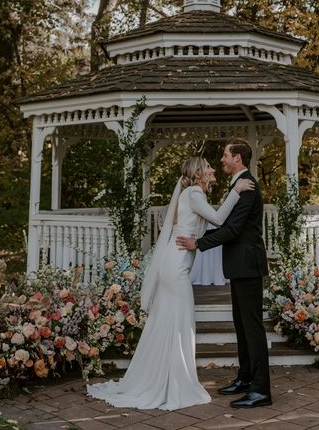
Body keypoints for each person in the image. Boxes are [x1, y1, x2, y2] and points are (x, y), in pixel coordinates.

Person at [86, 156, 254, 411]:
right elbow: (219, 219)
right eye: (208, 167)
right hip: (176, 268)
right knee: (181, 324)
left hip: (173, 264)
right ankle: (177, 385)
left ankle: (164, 380)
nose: (212, 170)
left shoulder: (191, 194)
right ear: (199, 174)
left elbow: (207, 224)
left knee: (169, 322)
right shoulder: (195, 193)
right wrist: (236, 190)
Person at [177, 138, 271, 409]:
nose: (222, 160)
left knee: (252, 328)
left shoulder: (248, 186)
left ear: (238, 158)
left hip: (248, 265)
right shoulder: (237, 185)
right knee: (241, 325)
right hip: (239, 265)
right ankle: (245, 378)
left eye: (225, 155)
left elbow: (233, 230)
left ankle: (261, 390)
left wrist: (199, 243)